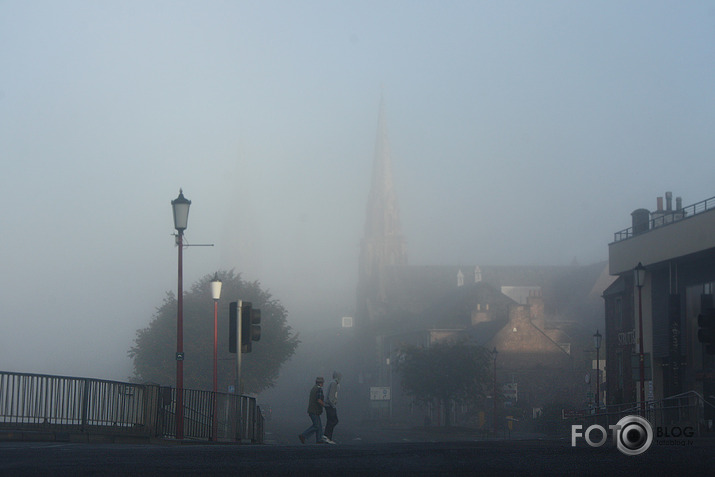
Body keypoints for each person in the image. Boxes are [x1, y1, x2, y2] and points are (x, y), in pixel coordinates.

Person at [298, 376, 325, 444]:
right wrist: (326, 405)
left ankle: (319, 440)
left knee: (319, 426)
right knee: (316, 426)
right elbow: (319, 400)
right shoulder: (319, 389)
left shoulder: (313, 388)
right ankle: (303, 435)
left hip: (312, 410)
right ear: (321, 383)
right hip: (315, 410)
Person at [323, 371, 342, 444]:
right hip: (330, 405)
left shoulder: (334, 383)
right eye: (340, 376)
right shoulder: (334, 383)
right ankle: (327, 436)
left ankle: (327, 437)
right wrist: (333, 404)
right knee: (334, 420)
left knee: (331, 421)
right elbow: (331, 396)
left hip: (329, 404)